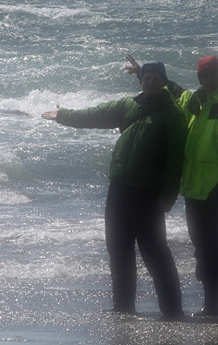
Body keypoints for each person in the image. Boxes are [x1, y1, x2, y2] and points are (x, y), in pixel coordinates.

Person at [42, 62, 186, 319]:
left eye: (155, 78)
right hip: (119, 187)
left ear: (164, 81)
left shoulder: (173, 116)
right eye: (146, 78)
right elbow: (96, 114)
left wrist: (169, 194)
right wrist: (64, 116)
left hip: (149, 192)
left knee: (154, 252)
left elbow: (177, 159)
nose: (150, 83)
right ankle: (123, 308)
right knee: (118, 248)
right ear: (141, 80)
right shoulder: (128, 106)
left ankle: (173, 309)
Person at [126, 54, 218, 319]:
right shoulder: (195, 101)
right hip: (194, 189)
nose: (208, 80)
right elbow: (174, 90)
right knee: (202, 247)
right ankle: (212, 305)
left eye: (212, 75)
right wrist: (146, 73)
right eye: (203, 76)